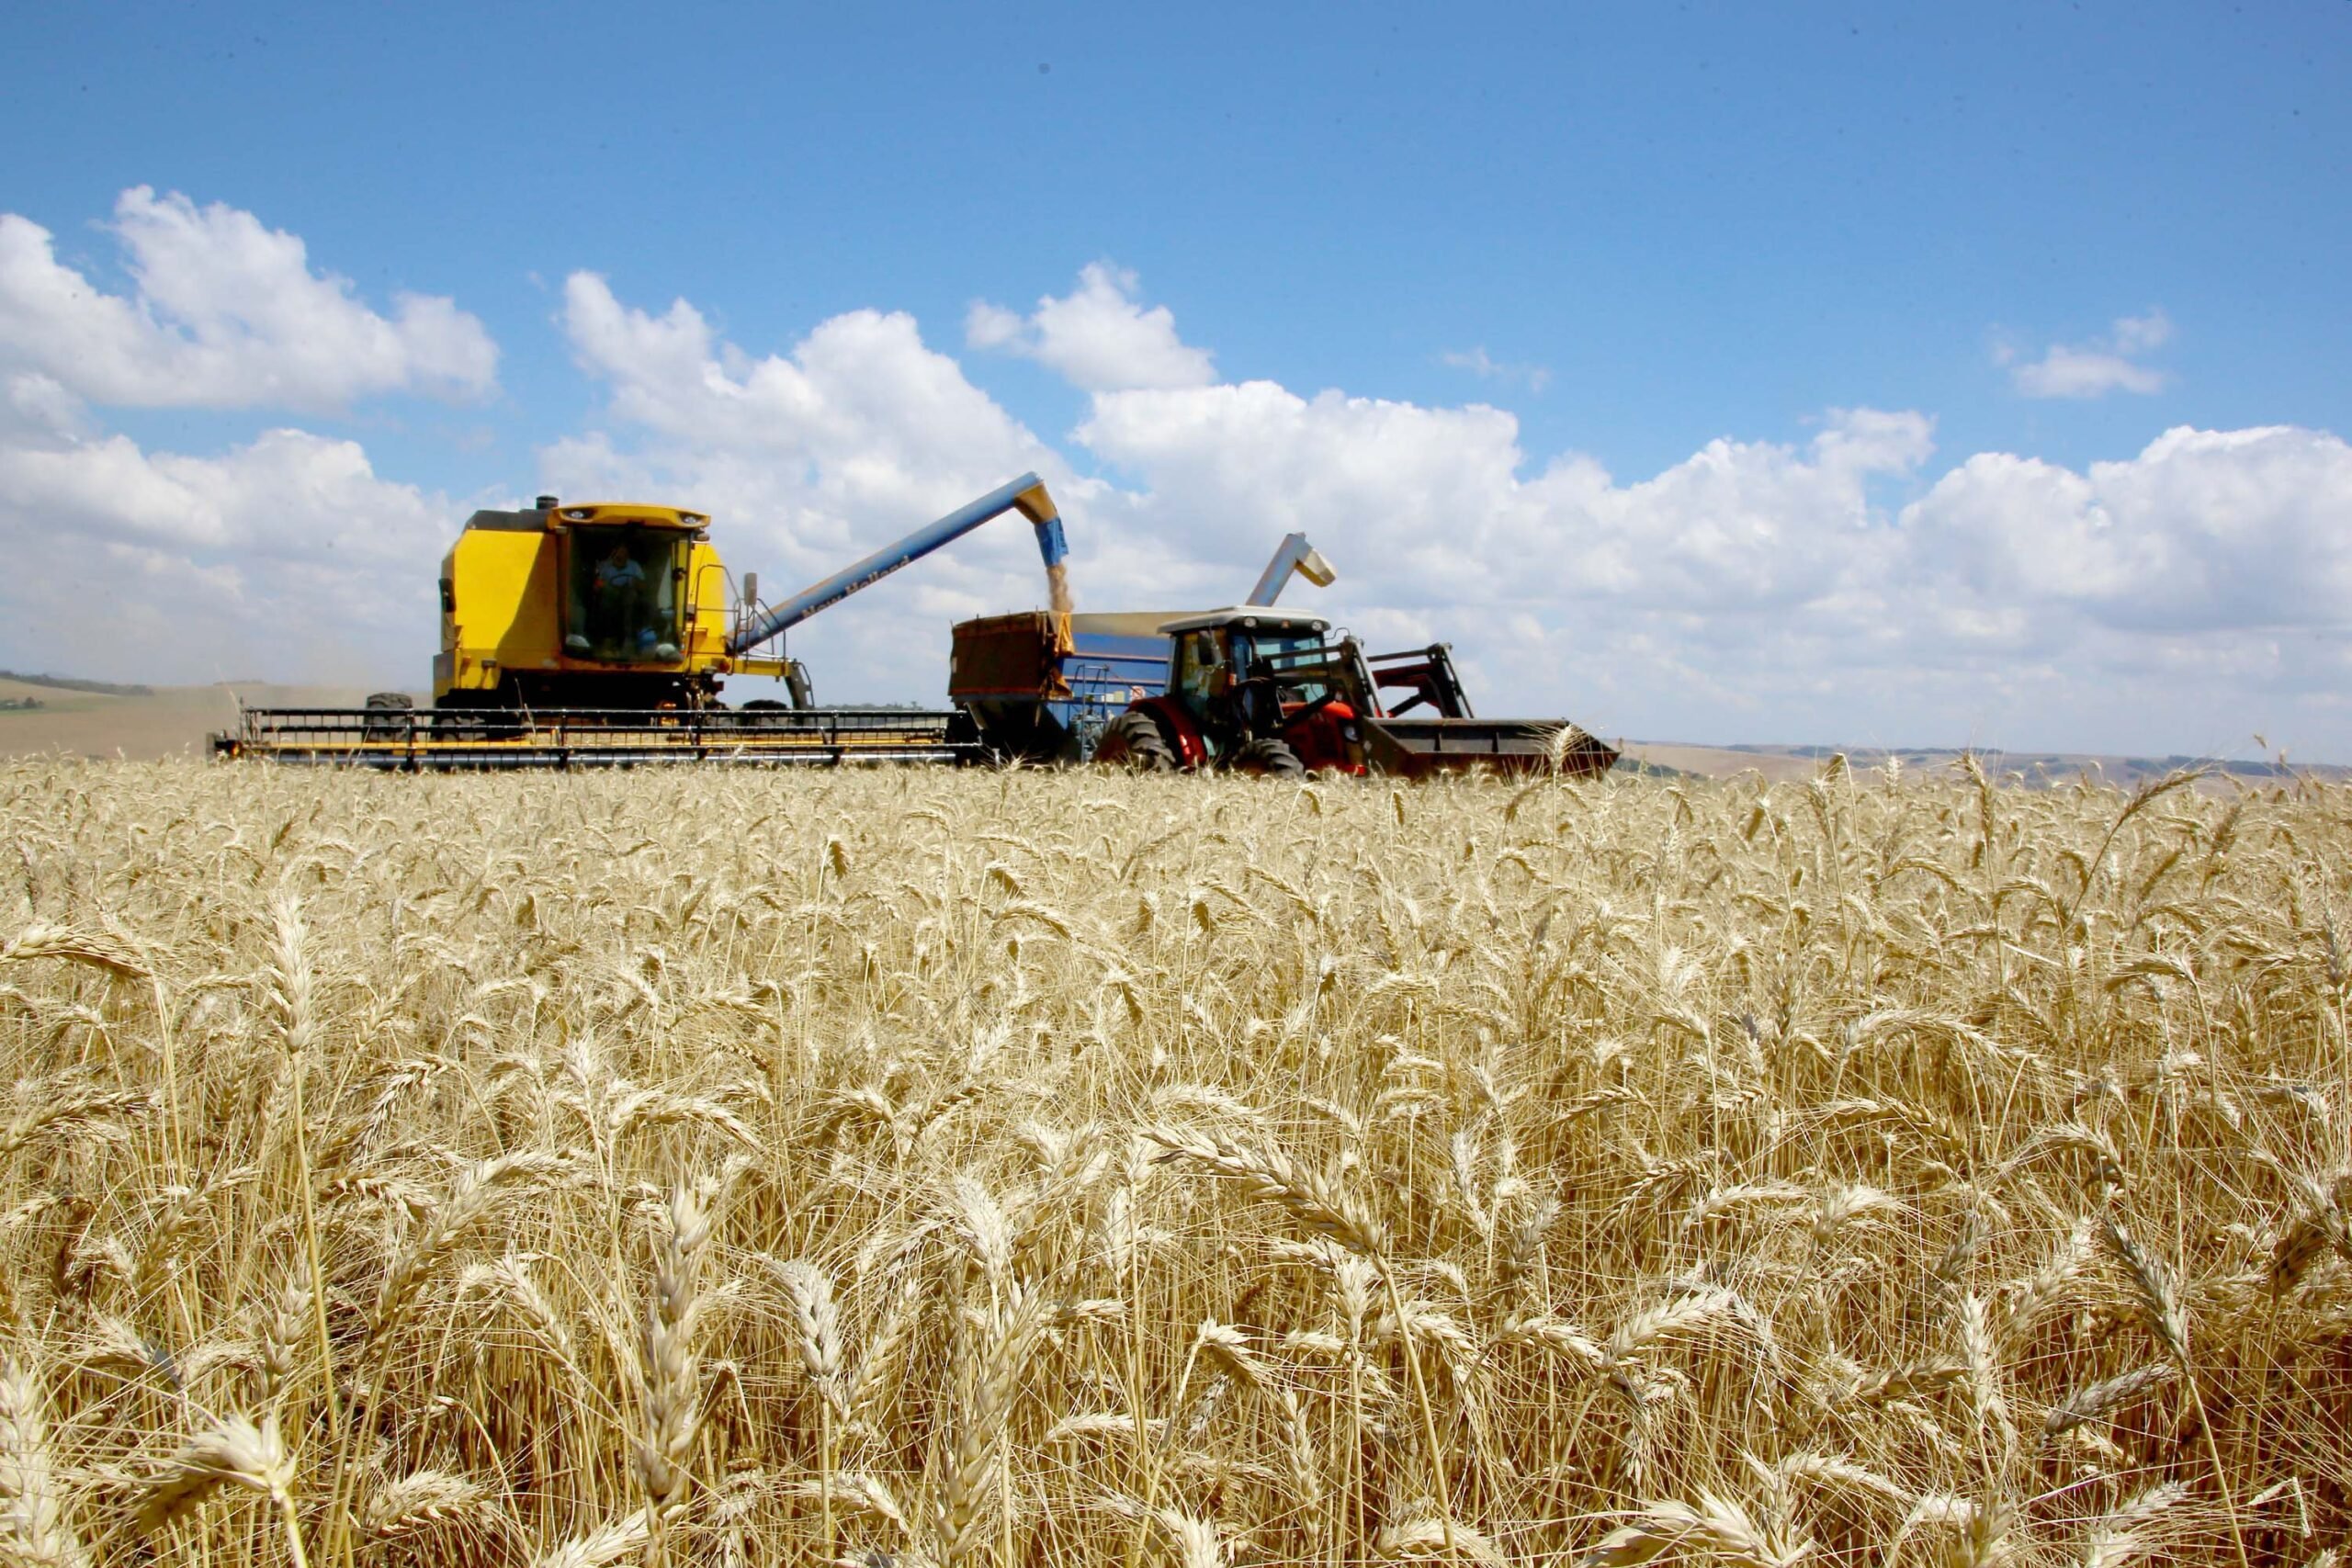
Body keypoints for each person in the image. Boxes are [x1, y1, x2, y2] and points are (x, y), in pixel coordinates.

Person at [589, 542, 645, 653]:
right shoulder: (604, 566)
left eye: (624, 554)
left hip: (628, 598)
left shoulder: (634, 566)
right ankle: (606, 639)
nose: (621, 557)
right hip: (609, 598)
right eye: (619, 554)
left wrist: (635, 582)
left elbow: (643, 587)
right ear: (613, 554)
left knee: (631, 599)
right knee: (606, 601)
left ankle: (629, 640)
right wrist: (603, 585)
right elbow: (596, 586)